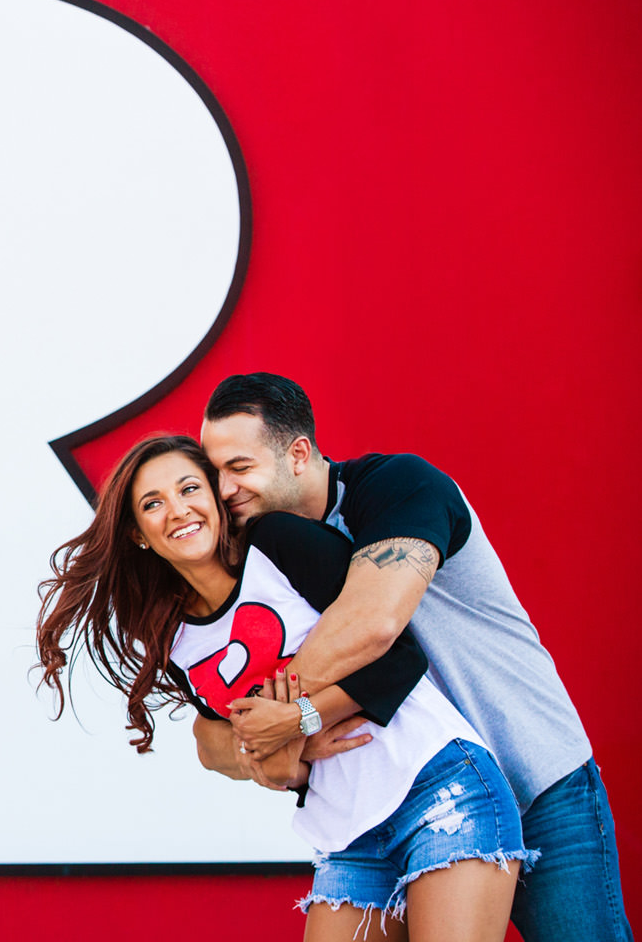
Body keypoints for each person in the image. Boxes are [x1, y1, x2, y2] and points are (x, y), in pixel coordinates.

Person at [36, 434, 534, 941]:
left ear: (216, 496)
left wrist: (301, 720)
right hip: (347, 832)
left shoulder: (277, 544)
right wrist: (276, 760)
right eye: (153, 503)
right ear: (137, 533)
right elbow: (236, 740)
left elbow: (400, 659)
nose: (178, 510)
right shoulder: (174, 639)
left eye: (190, 489)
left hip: (437, 786)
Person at [200, 372, 631, 942]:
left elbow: (374, 624)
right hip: (398, 804)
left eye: (240, 468)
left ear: (298, 453)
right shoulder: (261, 552)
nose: (224, 490)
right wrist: (265, 744)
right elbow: (211, 741)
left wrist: (281, 718)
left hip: (536, 778)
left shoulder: (400, 486)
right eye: (215, 473)